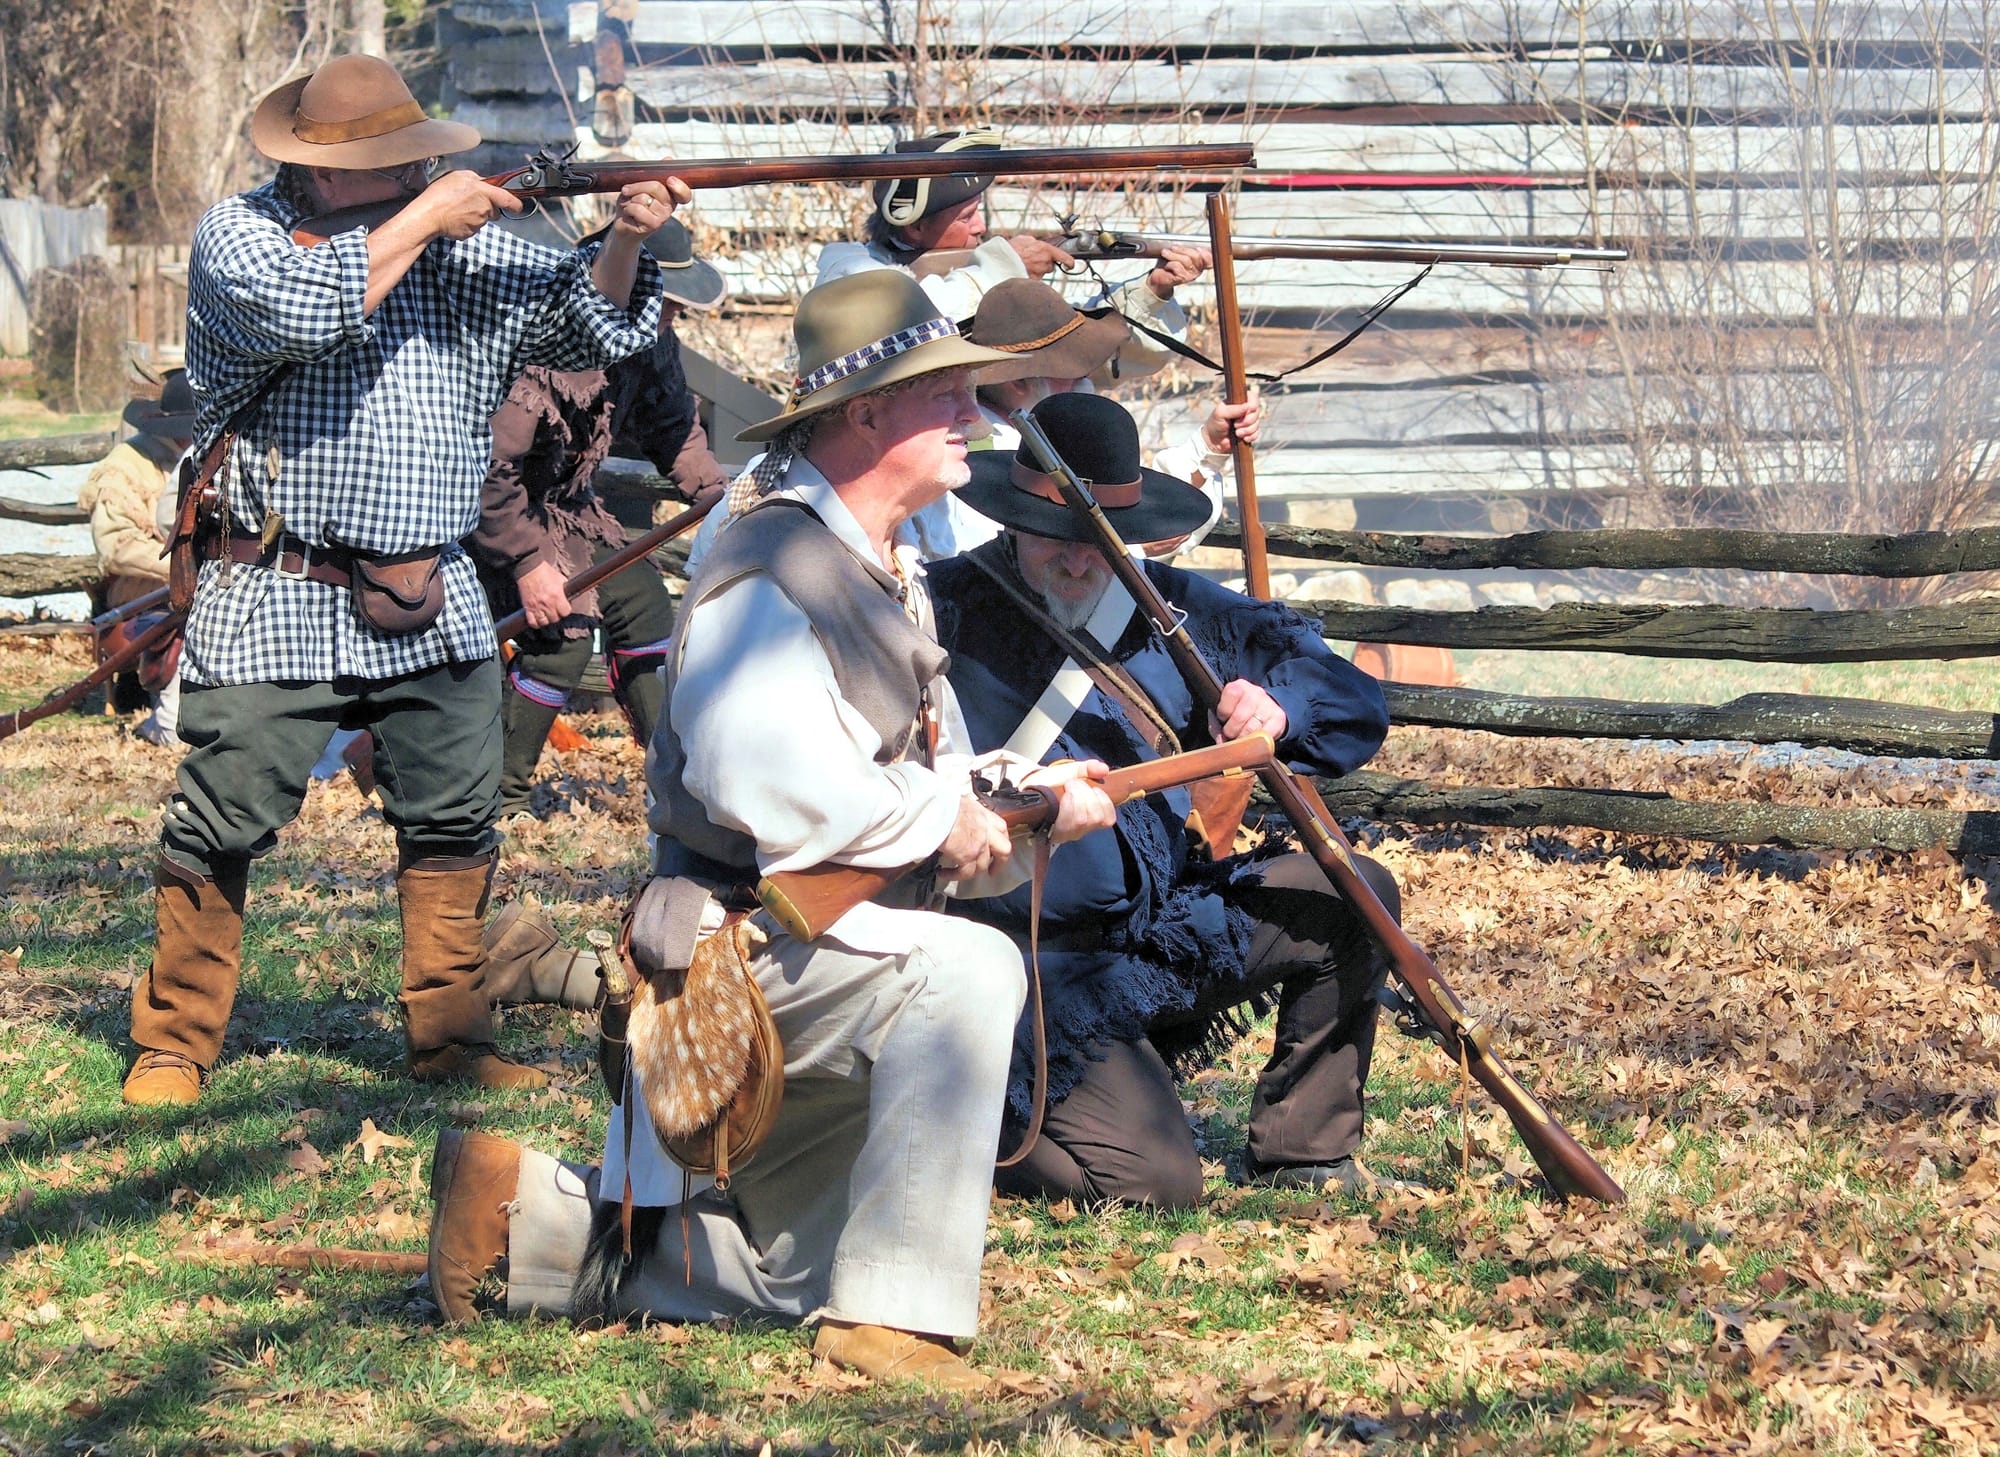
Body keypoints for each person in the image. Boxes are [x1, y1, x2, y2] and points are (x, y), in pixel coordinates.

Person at [425, 269, 1116, 1393]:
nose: (973, 412)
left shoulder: (876, 562)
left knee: (805, 1273)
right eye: (942, 393)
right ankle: (890, 1324)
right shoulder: (769, 573)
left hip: (826, 951)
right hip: (734, 961)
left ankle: (521, 1221)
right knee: (970, 968)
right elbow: (773, 788)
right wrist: (949, 813)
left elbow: (908, 772)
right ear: (865, 414)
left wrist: (1018, 793)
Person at [119, 52, 675, 1107]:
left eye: (414, 162)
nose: (411, 176)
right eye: (390, 164)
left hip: (435, 593)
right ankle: (175, 1039)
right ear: (322, 171)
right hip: (279, 583)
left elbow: (582, 324)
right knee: (220, 816)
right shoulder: (241, 236)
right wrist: (427, 217)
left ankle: (450, 1037)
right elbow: (301, 311)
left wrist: (626, 238)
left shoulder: (456, 247)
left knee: (454, 819)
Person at [929, 391, 1399, 1209]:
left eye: (1099, 542)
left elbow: (1349, 699)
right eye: (1056, 539)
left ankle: (1303, 1151)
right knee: (1152, 1181)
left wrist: (1279, 709)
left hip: (1154, 931)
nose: (1080, 563)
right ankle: (954, 1111)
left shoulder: (1170, 607)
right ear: (1013, 519)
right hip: (1022, 964)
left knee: (1351, 892)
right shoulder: (940, 606)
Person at [470, 218, 733, 821]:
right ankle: (498, 799)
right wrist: (529, 565)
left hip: (567, 510)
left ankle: (675, 783)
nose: (671, 316)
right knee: (560, 638)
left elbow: (674, 427)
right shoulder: (544, 346)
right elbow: (489, 468)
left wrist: (719, 496)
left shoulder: (651, 342)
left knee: (643, 604)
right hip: (489, 515)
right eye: (665, 302)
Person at [814, 129, 1206, 372]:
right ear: (914, 226)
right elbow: (898, 320)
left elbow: (1085, 359)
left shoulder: (973, 272)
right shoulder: (850, 270)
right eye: (966, 216)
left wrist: (1154, 291)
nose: (981, 227)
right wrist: (1005, 268)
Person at [78, 370, 195, 739]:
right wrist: (184, 566)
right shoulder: (125, 466)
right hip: (140, 593)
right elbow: (116, 548)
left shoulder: (208, 454)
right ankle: (170, 722)